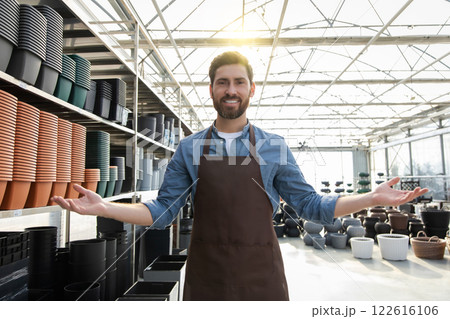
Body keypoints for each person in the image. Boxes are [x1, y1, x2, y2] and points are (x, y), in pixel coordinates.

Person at [52, 51, 428, 301]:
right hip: (206, 277)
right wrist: (105, 208)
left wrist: (371, 199)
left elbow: (312, 206)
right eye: (222, 82)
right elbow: (163, 211)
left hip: (261, 277)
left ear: (251, 89)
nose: (231, 90)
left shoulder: (273, 146)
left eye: (239, 82)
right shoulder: (190, 148)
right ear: (212, 89)